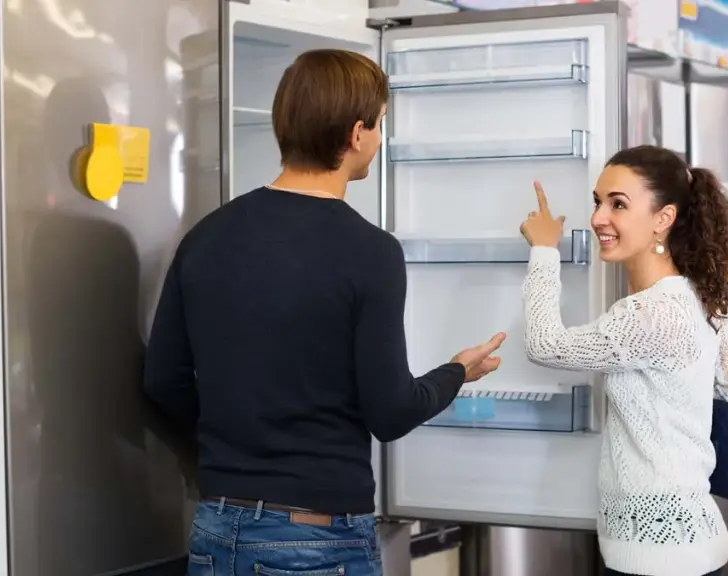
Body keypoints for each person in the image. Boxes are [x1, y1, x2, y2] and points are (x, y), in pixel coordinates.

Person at [143, 48, 506, 576]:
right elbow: (390, 412)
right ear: (357, 134)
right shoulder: (370, 252)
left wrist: (237, 441)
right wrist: (458, 372)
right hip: (315, 540)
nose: (380, 139)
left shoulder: (207, 236)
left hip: (216, 531)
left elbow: (163, 381)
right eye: (380, 124)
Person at [519, 145, 728, 576]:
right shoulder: (698, 299)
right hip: (696, 544)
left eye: (618, 204)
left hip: (654, 559)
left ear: (663, 219)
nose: (598, 218)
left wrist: (543, 251)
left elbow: (545, 345)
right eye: (598, 202)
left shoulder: (646, 315)